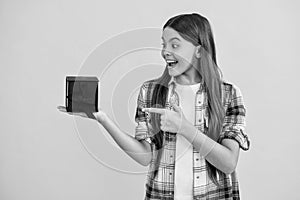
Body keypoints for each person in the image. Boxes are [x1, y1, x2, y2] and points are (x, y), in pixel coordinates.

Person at [58, 13, 250, 200]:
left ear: (199, 51)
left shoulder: (228, 95)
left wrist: (184, 128)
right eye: (164, 44)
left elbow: (228, 163)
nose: (165, 51)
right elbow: (144, 157)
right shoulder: (151, 92)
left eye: (175, 45)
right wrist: (101, 118)